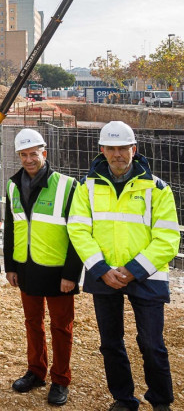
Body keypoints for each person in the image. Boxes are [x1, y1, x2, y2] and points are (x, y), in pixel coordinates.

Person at [68, 121, 179, 411]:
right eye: (112, 148)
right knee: (110, 344)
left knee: (152, 344)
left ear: (134, 149)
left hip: (147, 276)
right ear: (102, 150)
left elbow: (168, 238)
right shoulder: (86, 187)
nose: (118, 154)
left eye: (123, 148)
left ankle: (161, 401)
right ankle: (123, 399)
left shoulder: (157, 188)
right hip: (103, 275)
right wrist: (102, 269)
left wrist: (132, 271)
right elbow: (78, 230)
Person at [3, 129, 81, 406]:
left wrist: (71, 274)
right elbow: (11, 227)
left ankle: (61, 379)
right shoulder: (13, 185)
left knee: (62, 327)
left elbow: (79, 233)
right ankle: (36, 372)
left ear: (44, 153)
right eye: (23, 155)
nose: (28, 159)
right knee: (32, 324)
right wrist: (10, 266)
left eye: (33, 154)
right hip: (26, 268)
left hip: (58, 271)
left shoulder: (67, 185)